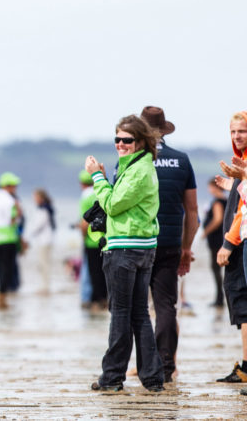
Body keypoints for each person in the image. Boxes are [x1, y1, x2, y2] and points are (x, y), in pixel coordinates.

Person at [85, 114, 164, 393]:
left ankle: (112, 378)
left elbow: (113, 205)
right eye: (117, 139)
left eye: (127, 140)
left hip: (126, 248)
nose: (121, 144)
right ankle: (153, 378)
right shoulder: (135, 166)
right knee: (138, 314)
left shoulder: (139, 169)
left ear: (141, 142)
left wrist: (97, 177)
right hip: (140, 247)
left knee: (121, 313)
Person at [140, 106, 199, 384]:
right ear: (164, 130)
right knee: (165, 306)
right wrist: (186, 248)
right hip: (170, 243)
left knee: (136, 307)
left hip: (138, 242)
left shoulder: (131, 161)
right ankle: (166, 366)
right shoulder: (182, 160)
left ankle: (142, 365)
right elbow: (193, 212)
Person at [213, 111, 247, 384]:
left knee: (243, 303)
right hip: (239, 240)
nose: (237, 136)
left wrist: (227, 243)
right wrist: (233, 183)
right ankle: (245, 366)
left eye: (243, 131)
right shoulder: (242, 162)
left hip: (240, 239)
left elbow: (242, 213)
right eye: (234, 132)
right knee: (240, 301)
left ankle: (246, 368)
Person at [0, 172, 23, 310]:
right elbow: (12, 219)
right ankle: (2, 297)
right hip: (8, 237)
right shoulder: (10, 200)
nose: (15, 188)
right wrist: (18, 212)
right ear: (7, 186)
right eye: (14, 185)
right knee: (7, 268)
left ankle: (0, 296)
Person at [78, 170, 105, 309]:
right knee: (103, 271)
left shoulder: (86, 195)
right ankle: (104, 300)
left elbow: (84, 222)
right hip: (104, 239)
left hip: (91, 240)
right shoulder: (100, 191)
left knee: (93, 272)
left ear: (81, 183)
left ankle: (95, 301)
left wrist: (82, 236)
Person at [202, 177, 227, 308]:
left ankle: (219, 299)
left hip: (216, 240)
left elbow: (218, 219)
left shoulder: (218, 202)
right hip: (223, 239)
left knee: (215, 269)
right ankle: (221, 297)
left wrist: (205, 232)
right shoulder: (227, 200)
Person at [26, 188, 56, 294]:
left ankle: (45, 287)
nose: (34, 199)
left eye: (35, 197)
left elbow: (38, 225)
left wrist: (27, 236)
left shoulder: (43, 210)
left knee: (44, 264)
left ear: (41, 198)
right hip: (46, 239)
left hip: (45, 240)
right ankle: (45, 285)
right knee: (44, 263)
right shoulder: (46, 209)